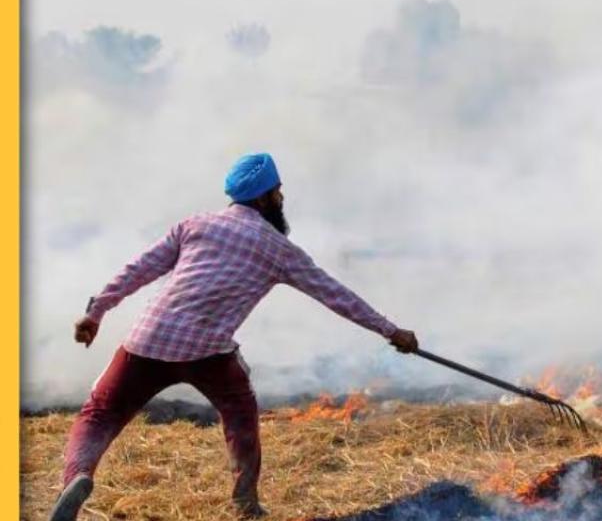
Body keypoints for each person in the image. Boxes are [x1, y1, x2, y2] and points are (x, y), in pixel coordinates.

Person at [49, 152, 419, 521]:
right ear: (262, 198)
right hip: (208, 352)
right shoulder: (280, 250)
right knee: (241, 415)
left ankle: (78, 475)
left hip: (147, 341)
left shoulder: (194, 225)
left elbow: (139, 269)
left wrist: (97, 311)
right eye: (277, 192)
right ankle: (245, 504)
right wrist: (391, 331)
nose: (281, 199)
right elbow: (337, 296)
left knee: (99, 415)